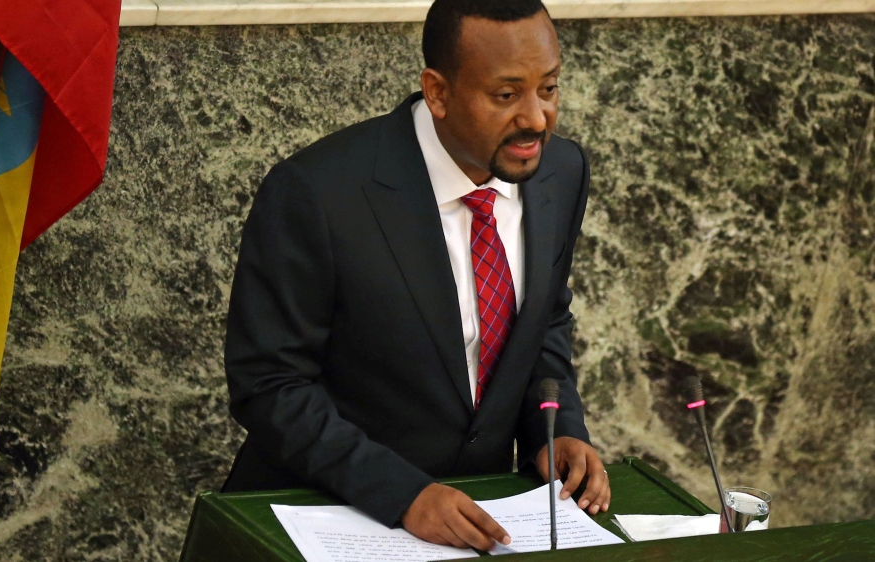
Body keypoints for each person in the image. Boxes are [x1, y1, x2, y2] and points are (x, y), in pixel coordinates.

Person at [222, 0, 610, 551]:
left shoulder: (561, 172)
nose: (536, 119)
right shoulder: (317, 193)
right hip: (325, 518)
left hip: (479, 521)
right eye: (506, 95)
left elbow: (543, 321)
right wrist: (403, 495)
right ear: (438, 92)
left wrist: (558, 426)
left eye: (548, 88)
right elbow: (269, 385)